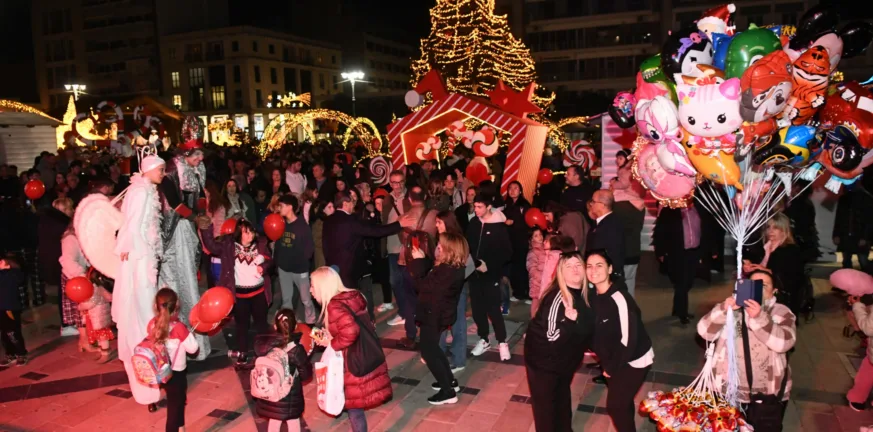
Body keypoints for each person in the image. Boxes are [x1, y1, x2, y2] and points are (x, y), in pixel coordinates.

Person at [698, 270, 796, 431]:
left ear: (774, 291)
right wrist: (724, 309)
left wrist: (759, 317)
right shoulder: (732, 309)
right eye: (753, 285)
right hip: (727, 389)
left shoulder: (781, 312)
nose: (758, 289)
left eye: (763, 285)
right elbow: (704, 331)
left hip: (766, 393)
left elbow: (784, 343)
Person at [310, 266, 392, 432]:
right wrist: (332, 335)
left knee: (355, 410)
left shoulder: (334, 306)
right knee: (356, 407)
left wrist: (331, 343)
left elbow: (351, 331)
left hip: (352, 363)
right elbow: (353, 325)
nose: (310, 290)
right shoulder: (353, 295)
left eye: (312, 285)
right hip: (365, 354)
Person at [114, 154, 165, 409]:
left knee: (147, 316)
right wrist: (125, 247)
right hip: (139, 261)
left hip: (144, 258)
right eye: (161, 169)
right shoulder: (141, 193)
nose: (163, 174)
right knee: (142, 317)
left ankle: (151, 382)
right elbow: (131, 223)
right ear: (150, 169)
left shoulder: (147, 191)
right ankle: (146, 383)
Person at [524, 251, 594, 432]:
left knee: (561, 398)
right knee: (546, 408)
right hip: (544, 362)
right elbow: (552, 337)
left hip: (565, 361)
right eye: (568, 266)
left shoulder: (585, 294)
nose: (575, 270)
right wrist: (569, 323)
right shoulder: (558, 298)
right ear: (560, 272)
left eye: (578, 265)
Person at [587, 249, 654, 432]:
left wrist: (610, 367)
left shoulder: (620, 298)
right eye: (589, 266)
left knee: (615, 406)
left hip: (634, 358)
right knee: (622, 401)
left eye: (599, 265)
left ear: (609, 269)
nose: (593, 270)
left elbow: (629, 339)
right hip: (612, 356)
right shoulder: (593, 296)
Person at [158, 140, 210, 359]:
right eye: (197, 154)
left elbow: (198, 198)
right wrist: (196, 218)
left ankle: (193, 337)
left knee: (189, 279)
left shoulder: (196, 169)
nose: (201, 159)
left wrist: (201, 214)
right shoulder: (171, 170)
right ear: (187, 152)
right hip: (174, 232)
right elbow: (174, 203)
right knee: (174, 280)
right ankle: (168, 335)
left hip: (187, 229)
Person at [198, 218, 272, 366]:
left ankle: (264, 351)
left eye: (251, 232)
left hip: (258, 293)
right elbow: (211, 247)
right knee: (242, 325)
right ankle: (243, 352)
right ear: (239, 234)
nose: (250, 235)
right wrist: (206, 229)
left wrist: (263, 267)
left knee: (261, 324)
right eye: (246, 233)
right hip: (240, 295)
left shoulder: (261, 244)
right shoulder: (229, 246)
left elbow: (271, 261)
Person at [408, 233, 468, 404]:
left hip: (434, 315)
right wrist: (423, 258)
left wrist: (418, 262)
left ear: (450, 250)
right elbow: (431, 275)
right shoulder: (449, 267)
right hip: (437, 313)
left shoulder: (447, 271)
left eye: (441, 246)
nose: (438, 248)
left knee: (428, 351)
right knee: (434, 349)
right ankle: (449, 381)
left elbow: (422, 286)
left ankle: (448, 392)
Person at [323, 191, 407, 291]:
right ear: (345, 204)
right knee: (351, 300)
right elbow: (376, 231)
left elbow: (326, 245)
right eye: (352, 202)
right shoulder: (350, 221)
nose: (353, 205)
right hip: (348, 270)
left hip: (333, 268)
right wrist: (399, 224)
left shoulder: (328, 220)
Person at [466, 194, 512, 361]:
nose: (476, 210)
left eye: (479, 207)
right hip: (474, 272)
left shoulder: (499, 226)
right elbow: (467, 246)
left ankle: (502, 342)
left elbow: (507, 253)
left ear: (488, 207)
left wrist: (489, 265)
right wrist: (474, 263)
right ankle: (484, 339)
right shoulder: (473, 223)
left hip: (491, 273)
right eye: (475, 207)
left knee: (493, 308)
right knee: (477, 309)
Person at [148, 288, 200, 432]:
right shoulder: (179, 328)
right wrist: (190, 335)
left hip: (161, 370)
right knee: (174, 406)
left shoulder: (153, 323)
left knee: (178, 401)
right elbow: (193, 349)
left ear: (156, 306)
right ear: (176, 306)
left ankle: (181, 427)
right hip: (177, 372)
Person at [254, 309, 313, 432]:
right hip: (290, 394)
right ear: (296, 326)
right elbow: (306, 375)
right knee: (293, 421)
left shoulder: (265, 345)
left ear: (275, 326)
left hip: (271, 390)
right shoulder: (296, 350)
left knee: (274, 420)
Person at [395, 188, 438, 349]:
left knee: (409, 301)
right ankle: (430, 334)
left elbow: (401, 238)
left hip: (407, 262)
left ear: (410, 199)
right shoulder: (434, 214)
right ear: (425, 196)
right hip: (427, 262)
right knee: (429, 299)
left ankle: (411, 335)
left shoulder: (404, 217)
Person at [744, 213, 810, 318]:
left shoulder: (791, 250)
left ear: (784, 230)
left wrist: (767, 271)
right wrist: (749, 267)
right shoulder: (763, 247)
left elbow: (793, 278)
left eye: (775, 228)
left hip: (782, 297)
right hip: (762, 292)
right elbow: (757, 268)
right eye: (768, 227)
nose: (770, 231)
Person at [653, 205, 701, 324]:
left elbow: (703, 229)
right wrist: (660, 251)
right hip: (678, 252)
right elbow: (660, 231)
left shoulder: (697, 209)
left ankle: (677, 309)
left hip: (694, 251)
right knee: (682, 283)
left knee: (688, 282)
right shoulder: (669, 211)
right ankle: (682, 313)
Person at [273, 195, 317, 325]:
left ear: (290, 207)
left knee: (306, 300)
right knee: (286, 299)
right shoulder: (280, 224)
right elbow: (278, 245)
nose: (279, 208)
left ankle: (311, 322)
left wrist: (302, 262)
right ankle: (288, 324)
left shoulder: (302, 226)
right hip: (284, 269)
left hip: (300, 270)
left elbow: (309, 249)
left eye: (281, 206)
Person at [382, 170, 412, 327]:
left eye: (400, 182)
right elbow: (384, 223)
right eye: (393, 182)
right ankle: (404, 312)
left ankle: (410, 313)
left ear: (404, 181)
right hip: (392, 246)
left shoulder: (410, 197)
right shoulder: (387, 199)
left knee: (409, 282)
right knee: (395, 282)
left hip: (408, 246)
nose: (397, 185)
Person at [60, 214, 92, 352]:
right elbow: (67, 261)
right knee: (81, 312)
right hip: (75, 279)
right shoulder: (70, 238)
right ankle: (84, 341)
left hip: (80, 277)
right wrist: (82, 274)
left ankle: (85, 341)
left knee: (85, 312)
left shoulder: (78, 237)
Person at [611, 167, 646, 295]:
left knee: (616, 285)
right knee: (630, 282)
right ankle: (631, 310)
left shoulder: (617, 205)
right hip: (634, 249)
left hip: (619, 251)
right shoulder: (640, 205)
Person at [40, 197, 72, 335]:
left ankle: (67, 323)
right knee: (64, 294)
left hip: (52, 261)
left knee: (63, 293)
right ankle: (66, 324)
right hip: (59, 262)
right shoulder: (61, 225)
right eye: (70, 208)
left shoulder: (47, 221)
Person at [586, 190, 626, 280]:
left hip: (606, 277)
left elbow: (614, 254)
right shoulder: (601, 222)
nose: (591, 204)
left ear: (602, 205)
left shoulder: (612, 224)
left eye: (593, 201)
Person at [504, 181, 531, 302]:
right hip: (510, 241)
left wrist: (513, 223)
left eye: (515, 188)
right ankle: (517, 292)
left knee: (522, 267)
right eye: (510, 188)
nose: (512, 190)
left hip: (521, 241)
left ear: (520, 191)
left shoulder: (524, 205)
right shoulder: (506, 205)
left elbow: (528, 223)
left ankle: (525, 293)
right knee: (514, 267)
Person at [79, 270, 115, 363]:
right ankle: (102, 351)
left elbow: (92, 302)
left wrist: (81, 306)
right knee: (100, 336)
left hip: (99, 317)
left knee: (102, 336)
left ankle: (106, 353)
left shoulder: (96, 288)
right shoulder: (99, 287)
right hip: (97, 316)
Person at [834, 187, 873, 271]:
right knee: (847, 261)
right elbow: (839, 218)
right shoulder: (844, 199)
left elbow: (868, 220)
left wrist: (865, 237)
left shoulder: (866, 198)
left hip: (859, 234)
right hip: (846, 234)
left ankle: (867, 281)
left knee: (863, 261)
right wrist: (836, 234)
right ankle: (847, 282)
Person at [0, 255, 27, 366]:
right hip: (1, 308)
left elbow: (20, 277)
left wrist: (9, 269)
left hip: (10, 308)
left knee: (13, 333)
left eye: (1, 261)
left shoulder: (13, 274)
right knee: (5, 334)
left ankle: (21, 354)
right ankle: (10, 354)